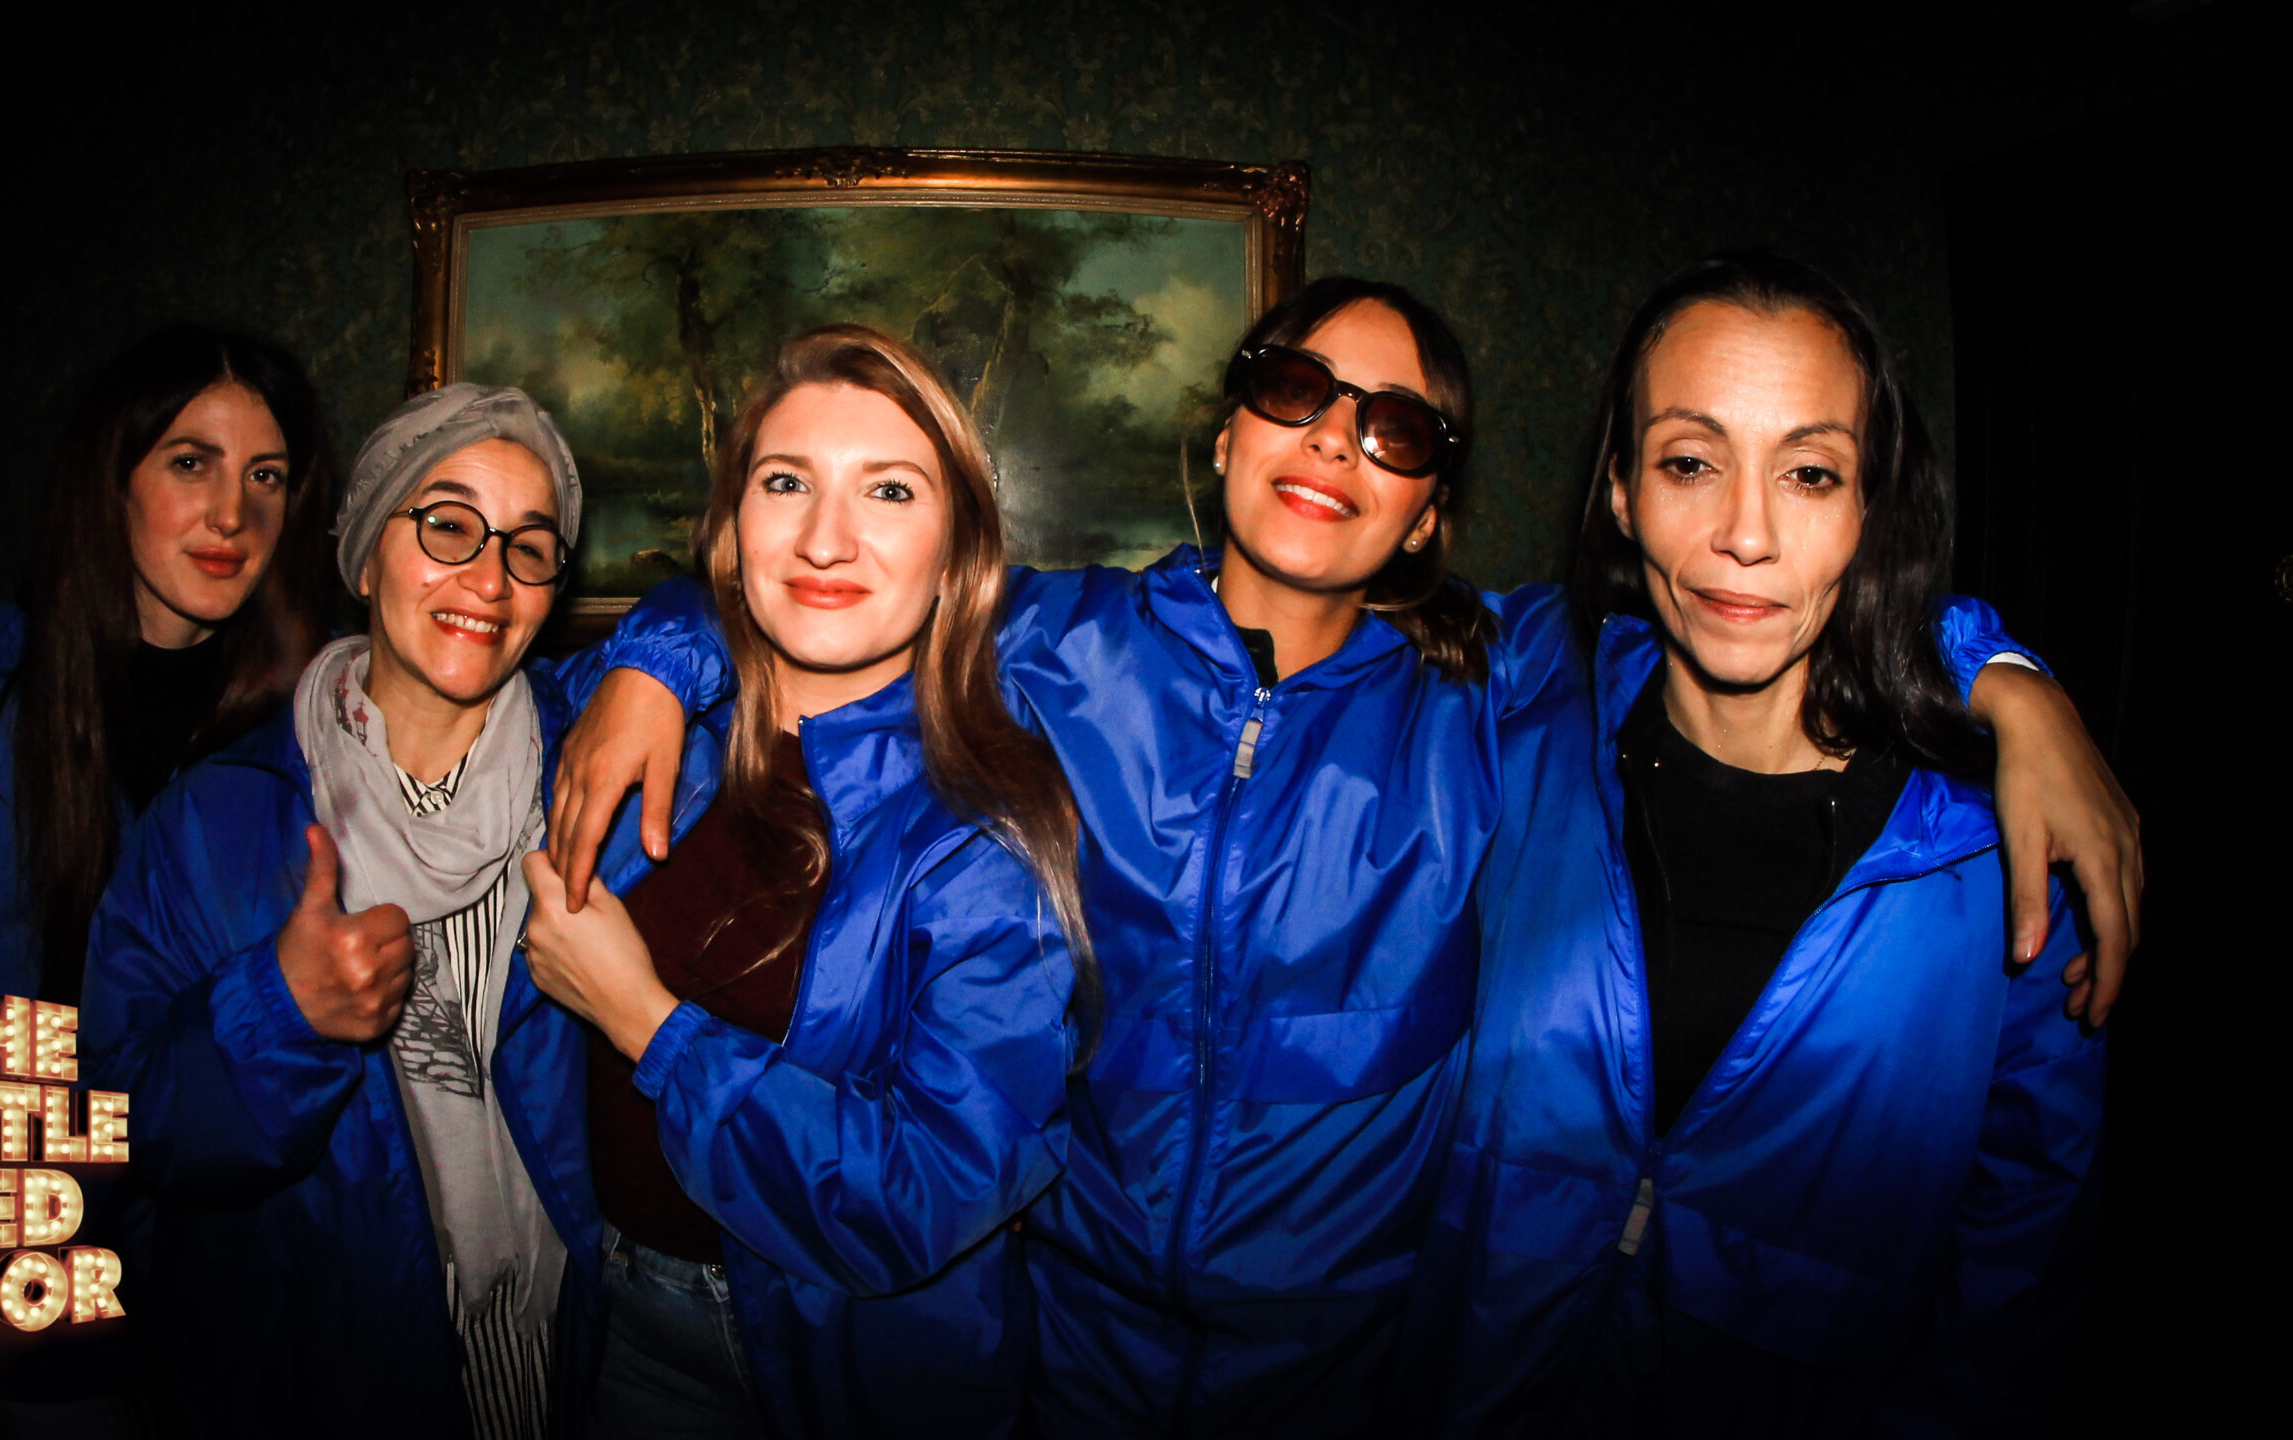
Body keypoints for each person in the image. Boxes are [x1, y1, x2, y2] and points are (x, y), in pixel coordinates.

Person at [544, 279, 2136, 1436]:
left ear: (1431, 509)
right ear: (1230, 428)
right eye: (1296, 390)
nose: (1333, 442)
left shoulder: (1505, 685)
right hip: (1058, 1342)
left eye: (1397, 428)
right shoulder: (1048, 643)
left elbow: (1753, 581)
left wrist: (2009, 680)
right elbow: (827, 586)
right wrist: (651, 664)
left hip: (1355, 1375)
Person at [1417, 254, 2104, 1434]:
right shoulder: (1517, 714)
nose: (1746, 533)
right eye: (1690, 462)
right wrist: (2009, 675)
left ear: (1869, 508)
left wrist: (2005, 678)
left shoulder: (1997, 857)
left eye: (1809, 472)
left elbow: (2020, 1265)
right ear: (1621, 492)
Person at [510, 324, 1090, 1438]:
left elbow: (926, 1188)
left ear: (956, 554)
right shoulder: (633, 721)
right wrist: (655, 658)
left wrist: (645, 1021)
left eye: (889, 491)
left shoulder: (989, 834)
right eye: (786, 483)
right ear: (732, 532)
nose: (826, 538)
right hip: (605, 1311)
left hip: (853, 1364)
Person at [82, 384, 589, 1438]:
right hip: (335, 1374)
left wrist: (657, 676)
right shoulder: (216, 817)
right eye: (447, 526)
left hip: (570, 1363)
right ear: (364, 558)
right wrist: (279, 1011)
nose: (489, 578)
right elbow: (122, 1124)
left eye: (530, 547)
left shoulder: (603, 785)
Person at [0, 326, 332, 1050]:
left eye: (266, 477)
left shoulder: (310, 726)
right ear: (113, 479)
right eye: (191, 463)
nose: (231, 515)